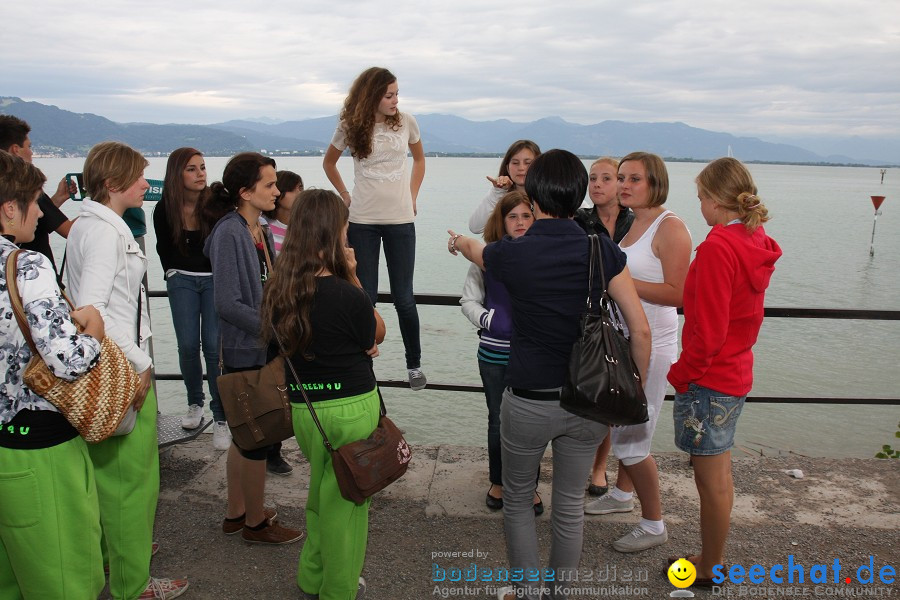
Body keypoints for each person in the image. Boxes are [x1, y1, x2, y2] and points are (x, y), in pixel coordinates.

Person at [448, 149, 651, 600]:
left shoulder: (512, 254)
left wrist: (459, 242)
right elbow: (639, 329)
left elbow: (478, 249)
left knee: (518, 501)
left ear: (534, 196)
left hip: (527, 400)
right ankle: (561, 593)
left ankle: (527, 591)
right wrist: (633, 391)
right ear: (579, 193)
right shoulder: (602, 249)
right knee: (570, 509)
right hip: (587, 400)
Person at [66, 141, 188, 599]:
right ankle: (133, 585)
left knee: (106, 480)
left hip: (101, 370)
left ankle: (114, 557)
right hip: (122, 371)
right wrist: (141, 365)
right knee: (134, 484)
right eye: (139, 176)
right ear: (113, 182)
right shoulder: (106, 233)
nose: (145, 183)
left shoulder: (86, 226)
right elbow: (92, 310)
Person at [260, 188, 385, 600]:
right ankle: (339, 588)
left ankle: (313, 575)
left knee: (321, 493)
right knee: (348, 504)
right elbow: (374, 333)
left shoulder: (280, 291)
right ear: (333, 233)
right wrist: (351, 274)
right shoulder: (345, 291)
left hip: (306, 408)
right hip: (349, 408)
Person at [667, 157, 781, 586]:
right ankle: (711, 554)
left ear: (715, 201)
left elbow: (709, 332)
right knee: (721, 474)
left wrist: (680, 373)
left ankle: (710, 567)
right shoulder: (755, 240)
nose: (699, 205)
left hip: (709, 380)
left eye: (700, 197)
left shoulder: (718, 247)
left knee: (709, 479)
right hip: (735, 374)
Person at [0, 150, 106, 600]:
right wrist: (94, 333)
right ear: (9, 208)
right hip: (39, 444)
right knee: (67, 575)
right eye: (34, 201)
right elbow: (67, 360)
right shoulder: (27, 265)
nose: (40, 212)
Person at [584, 152, 692, 555]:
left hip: (655, 343)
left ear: (655, 183)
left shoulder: (671, 227)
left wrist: (621, 282)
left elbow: (679, 293)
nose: (625, 186)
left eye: (634, 179)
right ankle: (621, 495)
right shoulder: (635, 222)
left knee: (633, 439)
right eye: (622, 178)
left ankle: (654, 523)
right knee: (623, 426)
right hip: (627, 339)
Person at [204, 151, 305, 545]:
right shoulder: (230, 232)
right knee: (257, 438)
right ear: (245, 192)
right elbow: (227, 302)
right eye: (269, 184)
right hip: (246, 348)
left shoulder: (257, 228)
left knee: (244, 433)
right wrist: (275, 328)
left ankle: (236, 514)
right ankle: (256, 523)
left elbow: (270, 284)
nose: (277, 192)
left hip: (256, 344)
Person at [323, 66, 427, 390]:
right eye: (389, 94)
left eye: (397, 93)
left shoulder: (407, 121)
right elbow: (329, 162)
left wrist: (412, 195)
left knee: (404, 298)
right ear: (372, 96)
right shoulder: (349, 126)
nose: (396, 100)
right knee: (364, 297)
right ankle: (362, 360)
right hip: (363, 221)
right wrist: (344, 195)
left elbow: (420, 160)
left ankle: (414, 364)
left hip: (400, 221)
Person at [460, 190, 542, 514]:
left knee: (531, 425)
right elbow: (468, 300)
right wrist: (488, 319)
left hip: (532, 355)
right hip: (493, 354)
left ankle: (528, 487)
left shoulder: (543, 258)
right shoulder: (487, 257)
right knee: (498, 420)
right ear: (502, 221)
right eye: (513, 216)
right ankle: (498, 481)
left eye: (526, 216)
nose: (520, 222)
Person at [154, 147, 224, 440]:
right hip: (181, 278)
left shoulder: (217, 205)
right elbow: (163, 249)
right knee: (186, 345)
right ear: (177, 174)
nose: (200, 174)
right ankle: (194, 403)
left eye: (203, 167)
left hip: (212, 280)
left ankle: (221, 415)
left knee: (212, 345)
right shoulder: (165, 208)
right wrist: (171, 275)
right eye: (192, 169)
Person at [575, 156, 634, 498]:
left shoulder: (635, 221)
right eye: (592, 178)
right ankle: (586, 463)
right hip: (590, 316)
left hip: (627, 316)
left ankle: (601, 467)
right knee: (592, 391)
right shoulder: (581, 221)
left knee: (617, 396)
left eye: (605, 178)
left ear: (620, 184)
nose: (596, 184)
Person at [256, 169, 304, 475]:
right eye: (296, 189)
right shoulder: (265, 229)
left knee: (295, 383)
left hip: (298, 314)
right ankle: (272, 450)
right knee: (273, 385)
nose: (301, 194)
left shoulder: (302, 229)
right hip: (276, 316)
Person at [0, 115, 74, 278]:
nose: (31, 152)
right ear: (15, 150)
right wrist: (102, 203)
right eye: (29, 146)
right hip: (32, 277)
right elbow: (71, 231)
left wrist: (58, 199)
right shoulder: (25, 188)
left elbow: (41, 218)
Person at [468, 140, 541, 234]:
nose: (521, 168)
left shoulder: (548, 198)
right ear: (507, 168)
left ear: (539, 166)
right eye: (515, 163)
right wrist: (498, 191)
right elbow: (475, 227)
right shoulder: (500, 195)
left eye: (528, 163)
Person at [262, 170, 303, 255]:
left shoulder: (307, 227)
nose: (299, 193)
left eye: (300, 188)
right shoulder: (262, 225)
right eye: (292, 189)